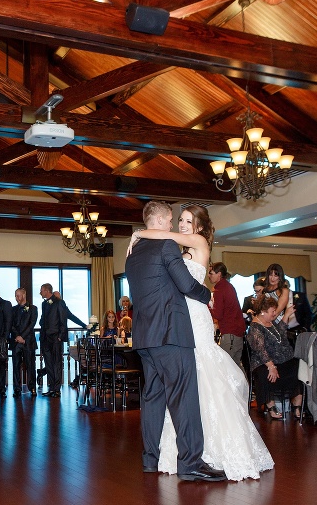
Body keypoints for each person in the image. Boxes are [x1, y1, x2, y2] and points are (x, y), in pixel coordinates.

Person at [125, 201, 229, 482]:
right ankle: (191, 463)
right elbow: (185, 284)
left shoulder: (132, 254)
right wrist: (206, 295)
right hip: (171, 333)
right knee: (183, 397)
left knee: (153, 398)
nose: (173, 226)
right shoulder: (166, 245)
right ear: (159, 221)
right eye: (170, 220)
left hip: (145, 336)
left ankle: (150, 459)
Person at [246, 295, 304, 421]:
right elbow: (260, 350)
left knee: (299, 370)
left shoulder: (270, 323)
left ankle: (297, 405)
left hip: (283, 359)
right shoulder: (255, 327)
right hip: (264, 362)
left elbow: (281, 334)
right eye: (273, 311)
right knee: (264, 374)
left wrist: (287, 315)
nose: (274, 314)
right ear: (263, 312)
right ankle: (271, 407)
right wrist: (271, 366)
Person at [207, 262, 246, 367]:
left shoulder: (219, 289)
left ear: (219, 274)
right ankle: (245, 384)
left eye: (211, 273)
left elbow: (218, 314)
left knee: (226, 367)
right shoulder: (228, 286)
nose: (209, 275)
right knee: (236, 367)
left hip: (230, 333)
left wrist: (207, 305)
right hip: (237, 333)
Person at [39, 283, 69, 398]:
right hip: (45, 337)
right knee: (49, 363)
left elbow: (63, 319)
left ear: (47, 291)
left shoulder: (59, 302)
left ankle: (57, 389)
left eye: (41, 290)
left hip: (56, 337)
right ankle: (51, 388)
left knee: (56, 363)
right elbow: (43, 319)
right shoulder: (44, 304)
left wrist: (61, 335)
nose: (40, 292)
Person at [10, 287, 38, 397]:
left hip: (28, 341)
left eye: (18, 295)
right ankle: (17, 388)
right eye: (15, 295)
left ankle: (32, 388)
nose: (16, 298)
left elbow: (32, 324)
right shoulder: (13, 309)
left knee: (30, 365)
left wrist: (23, 336)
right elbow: (11, 324)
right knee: (15, 365)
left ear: (24, 295)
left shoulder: (33, 308)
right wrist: (17, 336)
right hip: (16, 341)